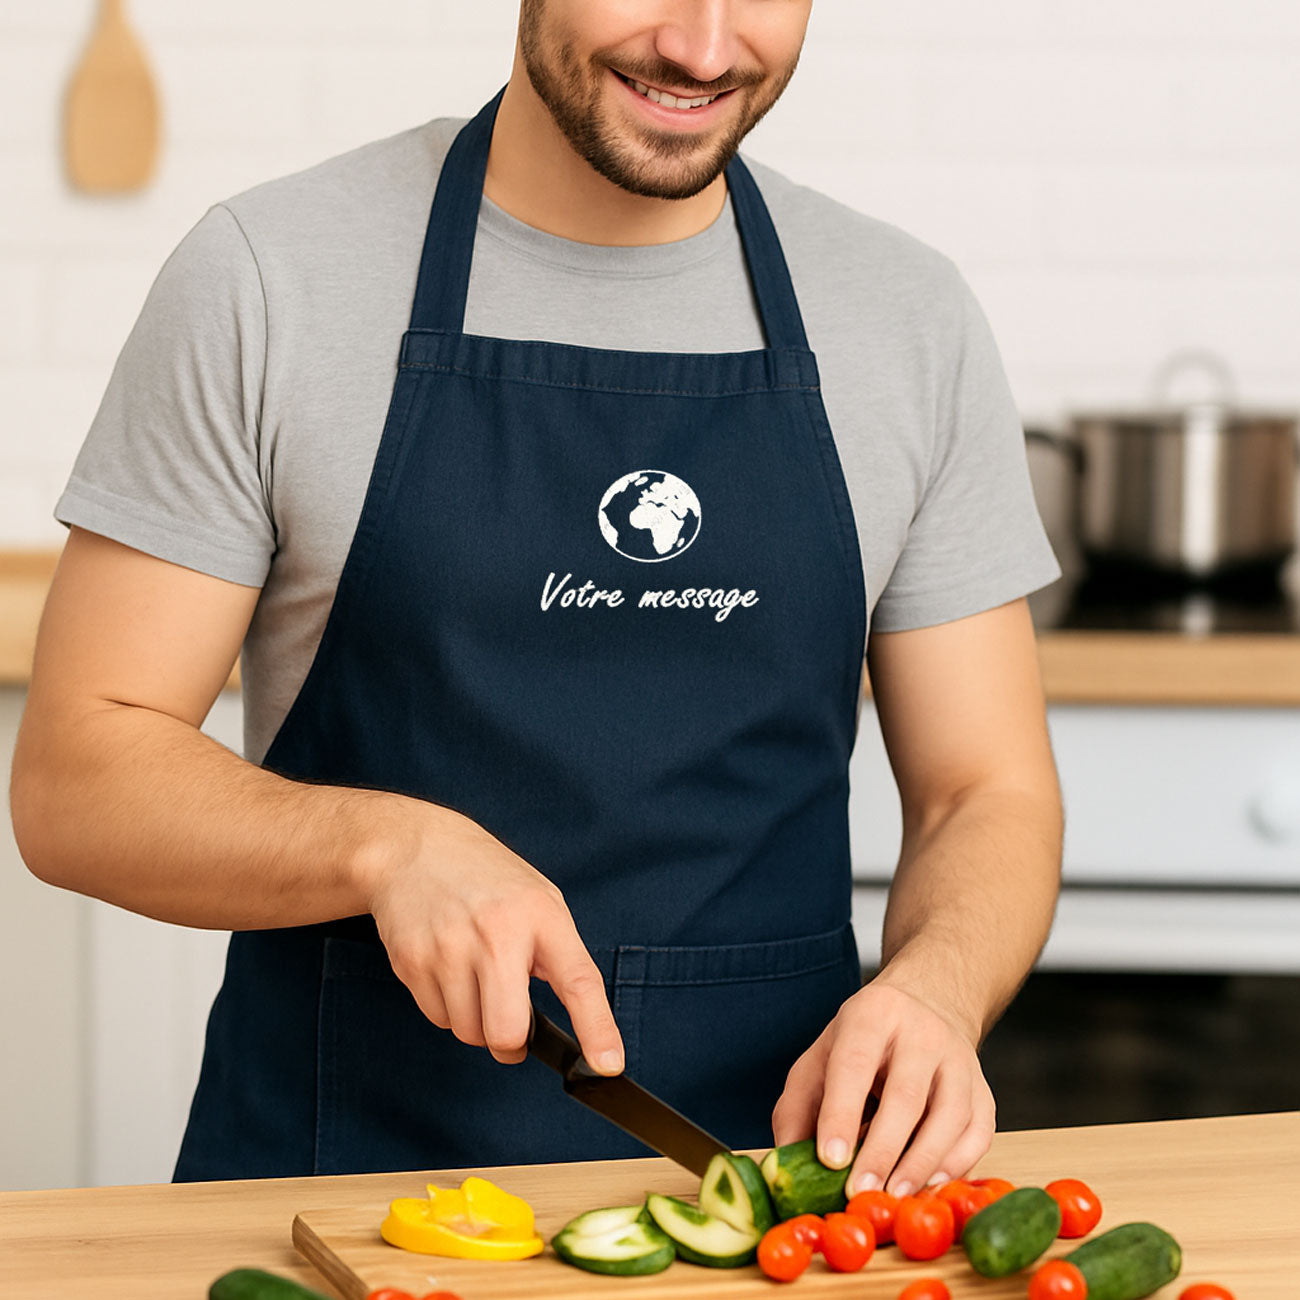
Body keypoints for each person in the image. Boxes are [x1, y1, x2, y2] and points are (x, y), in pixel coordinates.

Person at [12, 0, 1064, 1194]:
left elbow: (987, 790)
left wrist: (936, 987)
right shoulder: (271, 277)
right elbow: (74, 779)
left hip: (774, 1203)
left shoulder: (905, 318)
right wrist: (383, 844)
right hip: (342, 1196)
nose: (704, 48)